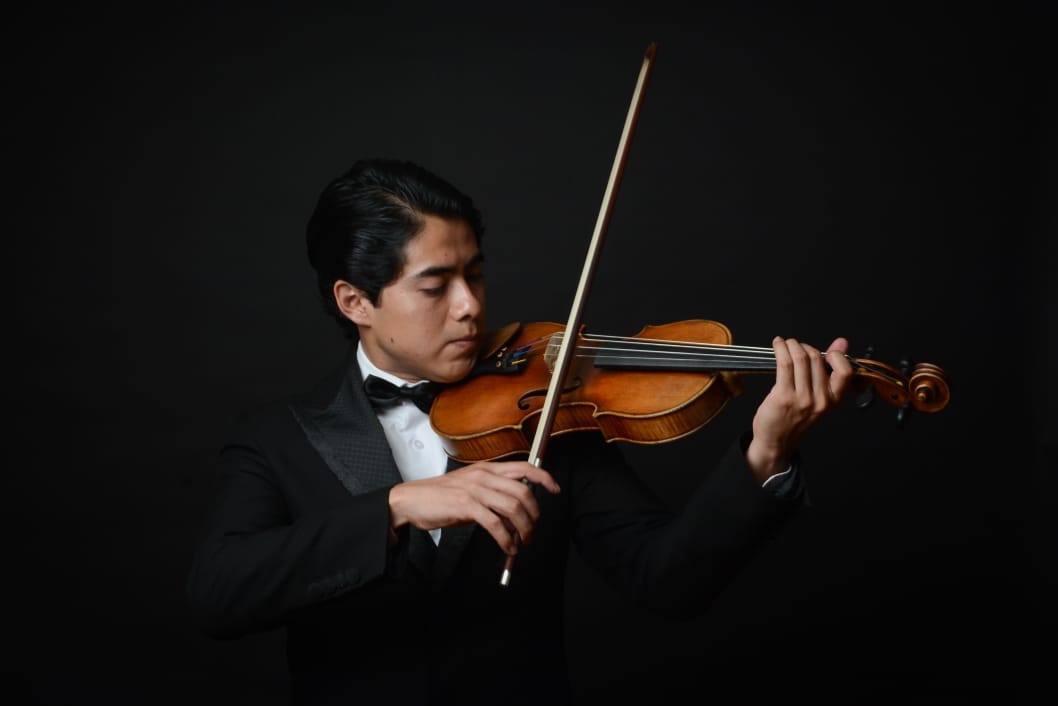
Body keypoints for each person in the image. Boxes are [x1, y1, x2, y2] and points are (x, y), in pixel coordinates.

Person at [186, 157, 853, 705]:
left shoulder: (547, 413)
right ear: (354, 301)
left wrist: (768, 451)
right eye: (435, 285)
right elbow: (219, 594)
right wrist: (394, 508)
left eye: (474, 273)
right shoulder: (278, 438)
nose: (471, 306)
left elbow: (668, 580)